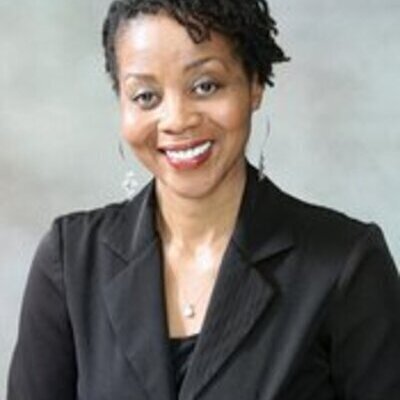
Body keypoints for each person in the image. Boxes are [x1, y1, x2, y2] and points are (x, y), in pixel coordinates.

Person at [7, 0, 400, 399]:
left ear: (255, 84)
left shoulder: (345, 264)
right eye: (146, 96)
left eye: (205, 86)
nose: (177, 120)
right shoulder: (69, 262)